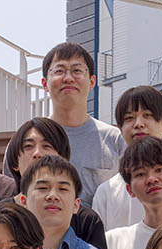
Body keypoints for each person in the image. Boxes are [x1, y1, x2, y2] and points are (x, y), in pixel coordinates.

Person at [91, 86, 162, 229]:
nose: (138, 124)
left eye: (147, 115)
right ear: (120, 129)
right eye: (129, 118)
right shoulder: (106, 192)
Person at [39, 43, 124, 206]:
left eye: (77, 70)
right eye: (59, 71)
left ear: (92, 82)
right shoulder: (29, 141)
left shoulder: (114, 140)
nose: (68, 78)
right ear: (44, 84)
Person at [3, 119, 107, 249]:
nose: (37, 154)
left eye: (47, 146)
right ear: (15, 163)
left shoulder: (86, 221)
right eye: (28, 146)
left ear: (63, 159)